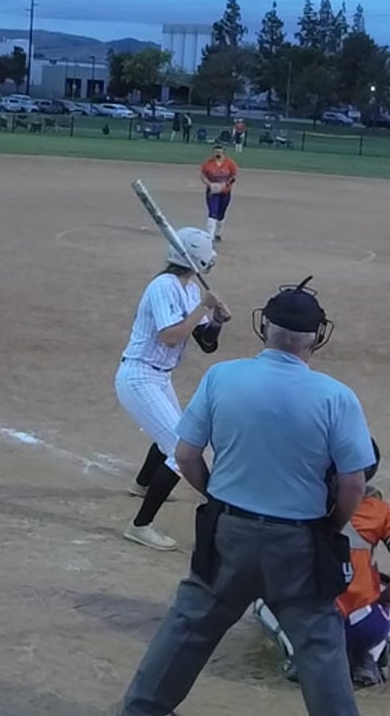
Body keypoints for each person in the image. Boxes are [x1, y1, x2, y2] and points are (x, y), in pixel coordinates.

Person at [119, 276, 374, 716]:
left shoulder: (222, 377)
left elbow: (186, 455)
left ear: (264, 327)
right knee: (318, 644)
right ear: (317, 337)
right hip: (299, 541)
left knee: (188, 627)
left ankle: (141, 711)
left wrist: (217, 497)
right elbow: (354, 484)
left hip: (229, 532)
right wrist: (328, 526)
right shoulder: (337, 397)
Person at [252, 440, 390, 688]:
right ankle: (369, 656)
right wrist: (386, 597)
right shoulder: (379, 510)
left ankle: (297, 653)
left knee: (262, 590)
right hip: (361, 624)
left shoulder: (298, 502)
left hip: (309, 622)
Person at [115, 227, 228, 551]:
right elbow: (169, 337)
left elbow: (206, 343)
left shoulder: (189, 289)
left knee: (174, 432)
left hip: (159, 377)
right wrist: (202, 308)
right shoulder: (163, 286)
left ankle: (142, 484)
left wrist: (216, 320)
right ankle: (140, 526)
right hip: (138, 377)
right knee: (181, 452)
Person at [200, 144, 239, 242]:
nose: (217, 153)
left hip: (225, 192)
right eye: (216, 152)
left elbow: (234, 176)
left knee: (221, 213)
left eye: (219, 152)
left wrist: (225, 184)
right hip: (212, 192)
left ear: (223, 152)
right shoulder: (208, 163)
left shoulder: (229, 163)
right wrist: (210, 184)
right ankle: (210, 237)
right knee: (213, 212)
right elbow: (203, 176)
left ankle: (218, 233)